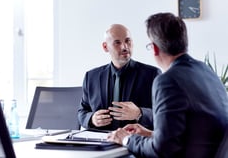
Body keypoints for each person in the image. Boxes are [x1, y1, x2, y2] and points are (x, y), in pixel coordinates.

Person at [107, 13, 228, 157]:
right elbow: (194, 136)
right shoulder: (205, 70)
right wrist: (151, 134)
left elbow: (162, 151)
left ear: (155, 48)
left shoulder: (168, 81)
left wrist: (126, 139)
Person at [78, 24, 161, 131]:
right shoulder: (91, 76)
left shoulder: (152, 74)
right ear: (105, 47)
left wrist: (139, 113)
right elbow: (82, 112)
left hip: (136, 142)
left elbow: (165, 115)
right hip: (101, 142)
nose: (124, 47)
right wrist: (92, 119)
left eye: (128, 41)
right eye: (117, 42)